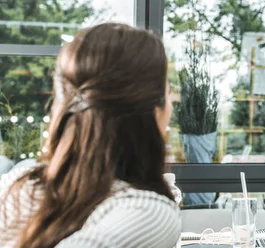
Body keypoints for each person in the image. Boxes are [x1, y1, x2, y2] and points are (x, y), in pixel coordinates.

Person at [0, 23, 181, 248]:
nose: (173, 101)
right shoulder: (147, 212)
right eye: (167, 90)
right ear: (154, 111)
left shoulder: (16, 186)